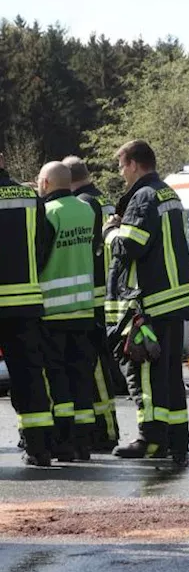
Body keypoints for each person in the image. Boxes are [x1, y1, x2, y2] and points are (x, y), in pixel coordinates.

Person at [104, 140, 189, 467]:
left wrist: (110, 233)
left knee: (145, 372)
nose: (121, 173)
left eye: (121, 166)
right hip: (174, 299)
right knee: (170, 375)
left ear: (133, 164)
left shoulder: (143, 196)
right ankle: (176, 441)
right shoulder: (167, 193)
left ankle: (150, 440)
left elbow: (131, 246)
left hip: (152, 302)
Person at [36, 161, 100, 462]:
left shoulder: (49, 214)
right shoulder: (86, 210)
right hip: (83, 308)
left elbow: (40, 256)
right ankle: (83, 442)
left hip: (54, 310)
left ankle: (62, 441)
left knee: (57, 377)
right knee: (81, 375)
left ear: (46, 184)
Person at [0, 153, 56, 466]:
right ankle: (40, 447)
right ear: (3, 160)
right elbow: (44, 242)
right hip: (24, 302)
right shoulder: (28, 196)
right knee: (29, 375)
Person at [65, 155, 122, 452]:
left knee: (97, 367)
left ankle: (107, 432)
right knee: (101, 364)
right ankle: (107, 429)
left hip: (93, 295)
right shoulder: (105, 202)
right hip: (110, 292)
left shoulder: (84, 204)